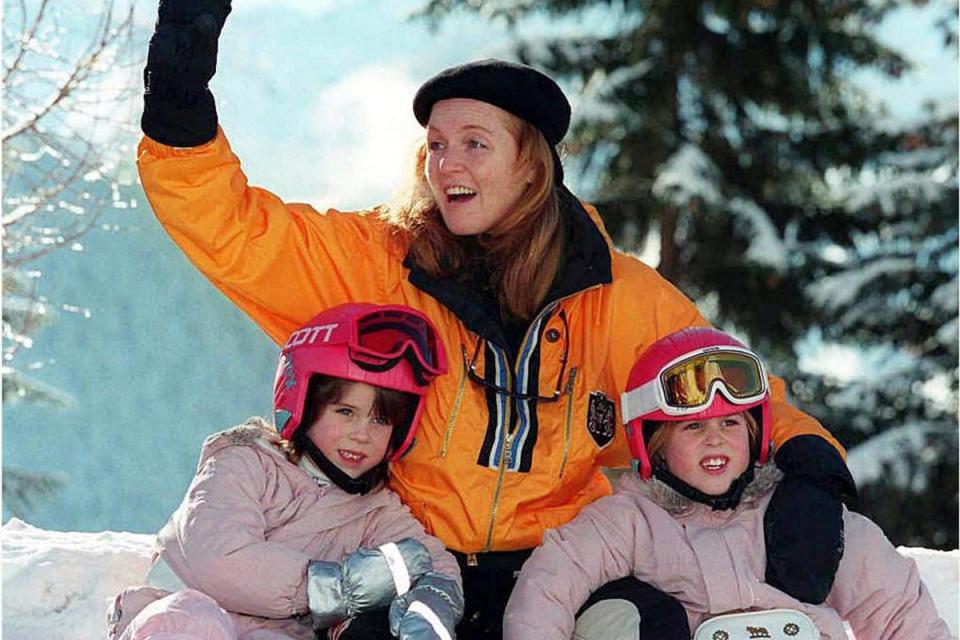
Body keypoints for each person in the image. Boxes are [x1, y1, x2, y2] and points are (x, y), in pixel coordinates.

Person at [136, 1, 859, 635]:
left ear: (530, 164)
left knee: (645, 625)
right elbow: (229, 228)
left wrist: (813, 475)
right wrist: (178, 88)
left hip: (564, 570)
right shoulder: (378, 266)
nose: (447, 163)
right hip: (419, 564)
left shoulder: (617, 294)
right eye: (437, 145)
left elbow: (723, 385)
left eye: (475, 143)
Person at [503, 327, 951, 640]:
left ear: (756, 436)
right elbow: (549, 584)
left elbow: (896, 611)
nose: (715, 438)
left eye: (731, 424)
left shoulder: (800, 518)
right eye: (692, 428)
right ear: (653, 445)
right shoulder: (630, 521)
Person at [108, 303, 463, 640]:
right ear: (303, 403)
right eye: (345, 411)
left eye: (381, 419)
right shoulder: (244, 461)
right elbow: (218, 557)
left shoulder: (375, 512)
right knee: (193, 619)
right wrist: (335, 587)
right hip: (182, 620)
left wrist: (426, 612)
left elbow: (434, 568)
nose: (362, 433)